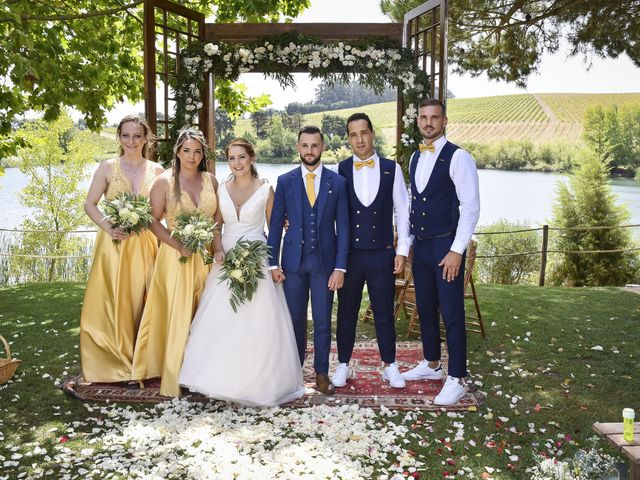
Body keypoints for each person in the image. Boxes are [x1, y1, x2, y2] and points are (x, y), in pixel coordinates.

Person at [179, 138, 305, 407]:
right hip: (225, 259)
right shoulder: (221, 189)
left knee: (256, 322)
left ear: (251, 158)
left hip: (256, 258)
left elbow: (273, 233)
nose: (236, 163)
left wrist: (274, 265)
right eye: (232, 158)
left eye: (242, 157)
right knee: (222, 320)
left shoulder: (266, 190)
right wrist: (218, 250)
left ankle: (257, 381)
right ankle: (217, 377)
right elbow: (216, 227)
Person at [131, 129, 222, 397]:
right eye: (187, 150)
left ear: (203, 154)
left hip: (205, 258)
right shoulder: (163, 183)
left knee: (205, 314)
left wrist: (218, 250)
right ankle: (175, 373)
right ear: (177, 153)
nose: (192, 156)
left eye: (197, 151)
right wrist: (177, 244)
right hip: (176, 258)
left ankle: (204, 372)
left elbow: (217, 223)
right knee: (179, 314)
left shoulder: (212, 181)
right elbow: (151, 220)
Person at [401, 98, 480, 406]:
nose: (428, 122)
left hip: (446, 246)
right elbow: (413, 203)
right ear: (418, 121)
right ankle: (432, 364)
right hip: (420, 247)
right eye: (423, 117)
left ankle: (457, 377)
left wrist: (456, 250)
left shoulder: (459, 157)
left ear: (444, 121)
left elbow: (471, 208)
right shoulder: (414, 158)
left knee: (452, 313)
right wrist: (407, 244)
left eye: (434, 117)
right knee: (425, 307)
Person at [80, 115, 164, 383]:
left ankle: (143, 362)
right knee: (116, 301)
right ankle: (115, 362)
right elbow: (90, 204)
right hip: (114, 245)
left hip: (146, 243)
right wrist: (108, 226)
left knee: (145, 299)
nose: (131, 141)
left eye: (137, 136)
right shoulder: (107, 167)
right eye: (126, 135)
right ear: (119, 137)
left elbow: (161, 212)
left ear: (145, 138)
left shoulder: (158, 171)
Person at [267, 126, 349, 395]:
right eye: (305, 145)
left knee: (324, 321)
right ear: (298, 147)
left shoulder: (337, 183)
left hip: (324, 266)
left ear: (322, 147)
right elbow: (276, 224)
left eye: (315, 145)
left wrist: (340, 267)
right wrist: (272, 263)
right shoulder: (285, 180)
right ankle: (293, 372)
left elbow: (344, 228)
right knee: (294, 321)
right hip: (292, 264)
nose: (310, 151)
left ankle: (322, 373)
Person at [333, 113, 411, 389]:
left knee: (383, 312)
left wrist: (401, 250)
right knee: (346, 311)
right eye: (353, 135)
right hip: (350, 256)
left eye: (364, 133)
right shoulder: (340, 170)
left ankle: (390, 365)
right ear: (349, 139)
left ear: (372, 134)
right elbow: (330, 213)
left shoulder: (392, 169)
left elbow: (403, 210)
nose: (359, 139)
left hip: (382, 254)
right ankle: (343, 364)